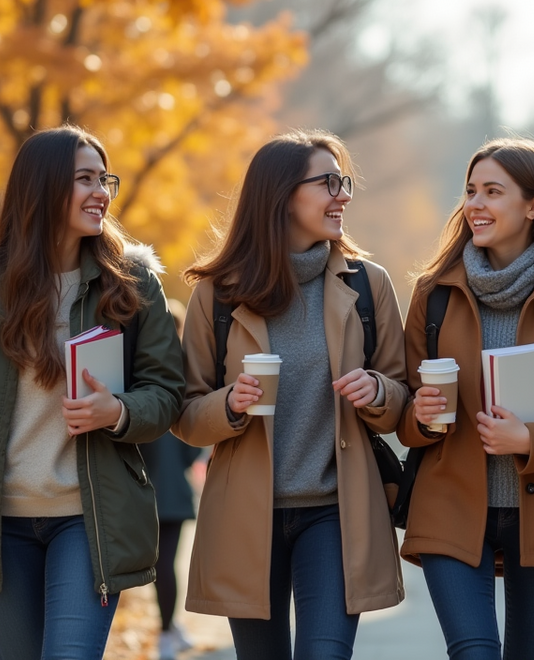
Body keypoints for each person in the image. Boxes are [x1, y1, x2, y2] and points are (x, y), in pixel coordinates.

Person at [0, 126, 187, 659]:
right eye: (84, 180)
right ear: (44, 187)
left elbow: (166, 392)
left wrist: (117, 411)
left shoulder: (134, 284)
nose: (101, 193)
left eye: (105, 179)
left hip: (89, 519)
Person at [174, 130, 409, 659]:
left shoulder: (368, 285)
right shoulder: (216, 293)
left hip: (336, 512)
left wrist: (376, 390)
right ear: (281, 195)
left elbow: (402, 398)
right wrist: (230, 404)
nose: (342, 194)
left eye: (343, 181)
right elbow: (185, 414)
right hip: (244, 514)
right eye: (328, 183)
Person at [398, 138, 534, 660]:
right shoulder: (433, 295)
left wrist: (529, 438)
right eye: (471, 190)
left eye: (493, 191)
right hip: (449, 507)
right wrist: (421, 417)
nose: (475, 203)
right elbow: (403, 410)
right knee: (473, 652)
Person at [145, 298, 202, 659]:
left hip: (141, 488)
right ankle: (167, 630)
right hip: (173, 490)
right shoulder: (181, 377)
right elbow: (193, 445)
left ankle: (168, 628)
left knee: (155, 564)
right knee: (167, 563)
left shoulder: (139, 373)